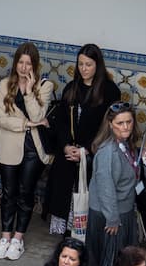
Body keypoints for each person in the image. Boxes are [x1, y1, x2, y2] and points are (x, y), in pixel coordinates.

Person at [44, 44, 120, 236]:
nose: (84, 69)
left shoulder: (109, 91)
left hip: (93, 154)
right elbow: (60, 122)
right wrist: (65, 146)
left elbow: (108, 127)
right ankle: (65, 237)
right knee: (62, 192)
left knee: (85, 198)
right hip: (69, 153)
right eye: (80, 64)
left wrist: (86, 150)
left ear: (98, 65)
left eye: (88, 64)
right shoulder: (72, 88)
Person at [0, 43, 53, 261]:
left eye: (28, 63)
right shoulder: (4, 85)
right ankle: (5, 237)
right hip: (9, 145)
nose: (24, 67)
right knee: (9, 193)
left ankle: (18, 239)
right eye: (20, 62)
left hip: (33, 150)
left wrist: (28, 91)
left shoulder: (45, 86)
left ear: (35, 65)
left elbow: (38, 115)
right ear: (15, 62)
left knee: (25, 193)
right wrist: (27, 124)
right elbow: (2, 119)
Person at [87, 102, 146, 265]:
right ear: (110, 124)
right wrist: (112, 219)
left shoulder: (125, 144)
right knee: (112, 263)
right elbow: (105, 188)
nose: (126, 127)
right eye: (120, 123)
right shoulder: (108, 152)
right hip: (111, 216)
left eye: (129, 122)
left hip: (123, 211)